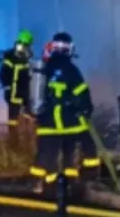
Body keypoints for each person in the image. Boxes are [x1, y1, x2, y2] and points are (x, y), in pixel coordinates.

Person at [28, 32, 101, 194]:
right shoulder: (71, 70)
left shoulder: (44, 68)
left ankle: (41, 184)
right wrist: (86, 109)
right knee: (77, 150)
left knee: (46, 154)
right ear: (69, 49)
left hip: (47, 123)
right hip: (69, 122)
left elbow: (33, 96)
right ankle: (78, 182)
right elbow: (82, 93)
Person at [0, 29, 35, 145]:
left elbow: (28, 73)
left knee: (28, 114)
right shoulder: (10, 56)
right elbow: (3, 73)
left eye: (26, 45)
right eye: (22, 44)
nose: (23, 47)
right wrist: (7, 86)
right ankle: (13, 140)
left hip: (24, 91)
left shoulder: (27, 56)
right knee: (13, 117)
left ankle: (28, 138)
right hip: (13, 92)